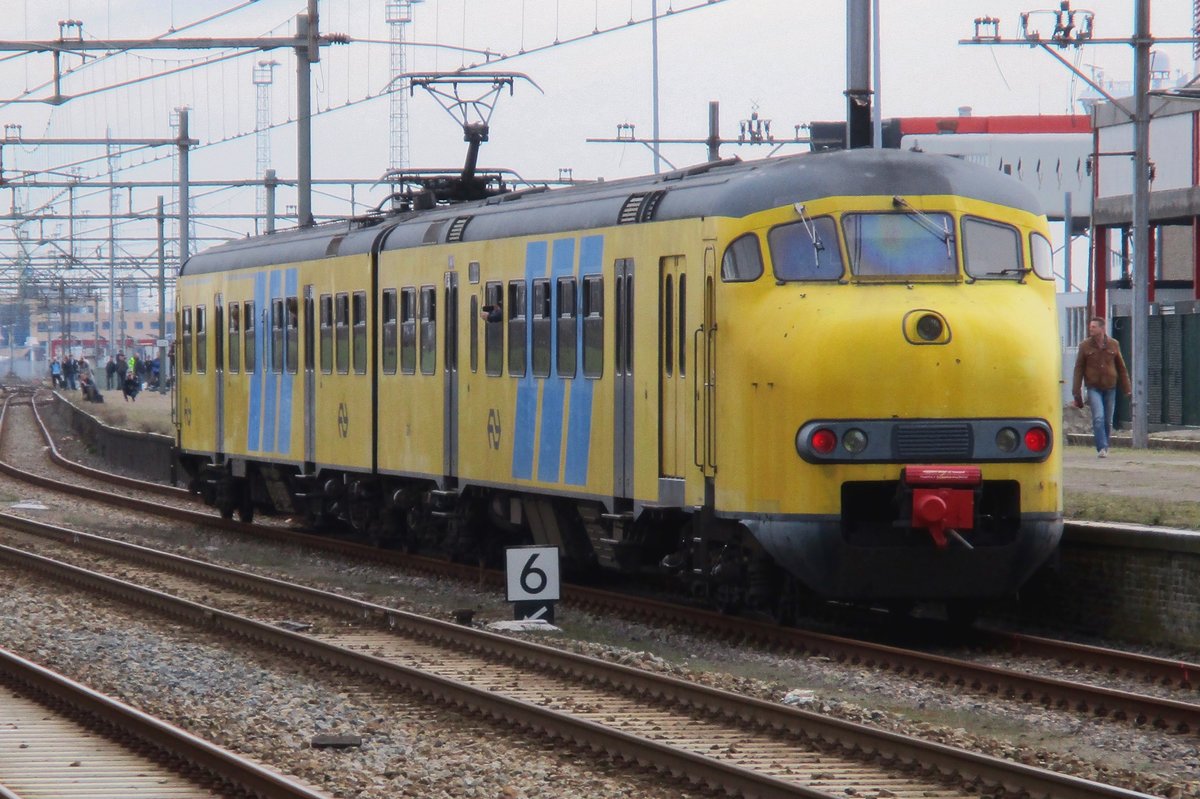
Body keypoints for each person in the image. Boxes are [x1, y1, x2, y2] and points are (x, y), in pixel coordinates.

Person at [1072, 315, 1132, 458]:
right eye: (1090, 326)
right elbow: (1078, 368)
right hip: (1093, 387)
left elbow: (1121, 368)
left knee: (1107, 420)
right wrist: (1076, 391)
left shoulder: (1114, 344)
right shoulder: (1084, 346)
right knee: (1098, 417)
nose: (1090, 329)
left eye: (1093, 327)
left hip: (1110, 387)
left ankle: (1105, 444)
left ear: (1102, 328)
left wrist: (1127, 389)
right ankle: (1102, 447)